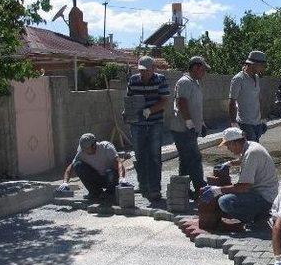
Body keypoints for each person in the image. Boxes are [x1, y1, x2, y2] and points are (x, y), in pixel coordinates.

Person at [200, 127, 279, 225]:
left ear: (234, 143)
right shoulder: (251, 145)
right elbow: (242, 160)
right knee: (227, 192)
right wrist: (229, 163)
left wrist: (218, 190)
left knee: (225, 201)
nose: (228, 149)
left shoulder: (251, 153)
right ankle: (257, 214)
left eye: (228, 145)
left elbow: (244, 187)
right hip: (263, 193)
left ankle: (256, 217)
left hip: (265, 198)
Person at [126, 55, 170, 201]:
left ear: (153, 69)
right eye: (141, 70)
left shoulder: (160, 80)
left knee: (154, 156)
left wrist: (150, 110)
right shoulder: (133, 80)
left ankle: (155, 188)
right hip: (137, 125)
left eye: (146, 70)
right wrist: (127, 112)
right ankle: (143, 185)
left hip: (154, 124)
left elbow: (164, 101)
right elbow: (130, 100)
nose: (143, 73)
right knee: (139, 155)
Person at [170, 55, 210, 197]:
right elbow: (181, 102)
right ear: (195, 67)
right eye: (203, 69)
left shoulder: (195, 82)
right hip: (183, 129)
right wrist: (189, 122)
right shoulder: (185, 82)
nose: (204, 72)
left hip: (189, 128)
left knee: (186, 161)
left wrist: (201, 124)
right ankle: (200, 187)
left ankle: (183, 190)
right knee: (194, 158)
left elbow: (196, 106)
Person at [59, 133, 125, 200]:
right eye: (83, 148)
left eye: (86, 148)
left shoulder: (106, 147)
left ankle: (110, 193)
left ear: (94, 145)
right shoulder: (82, 151)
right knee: (78, 165)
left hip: (111, 179)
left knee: (111, 173)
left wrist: (122, 178)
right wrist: (65, 183)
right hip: (97, 178)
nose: (84, 150)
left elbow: (119, 163)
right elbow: (71, 167)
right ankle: (95, 193)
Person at [229, 50, 267, 142]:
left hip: (257, 122)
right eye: (261, 66)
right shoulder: (238, 79)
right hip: (245, 123)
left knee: (253, 149)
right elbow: (232, 101)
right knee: (250, 149)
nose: (263, 68)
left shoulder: (256, 78)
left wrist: (262, 118)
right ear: (254, 64)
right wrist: (233, 122)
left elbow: (258, 98)